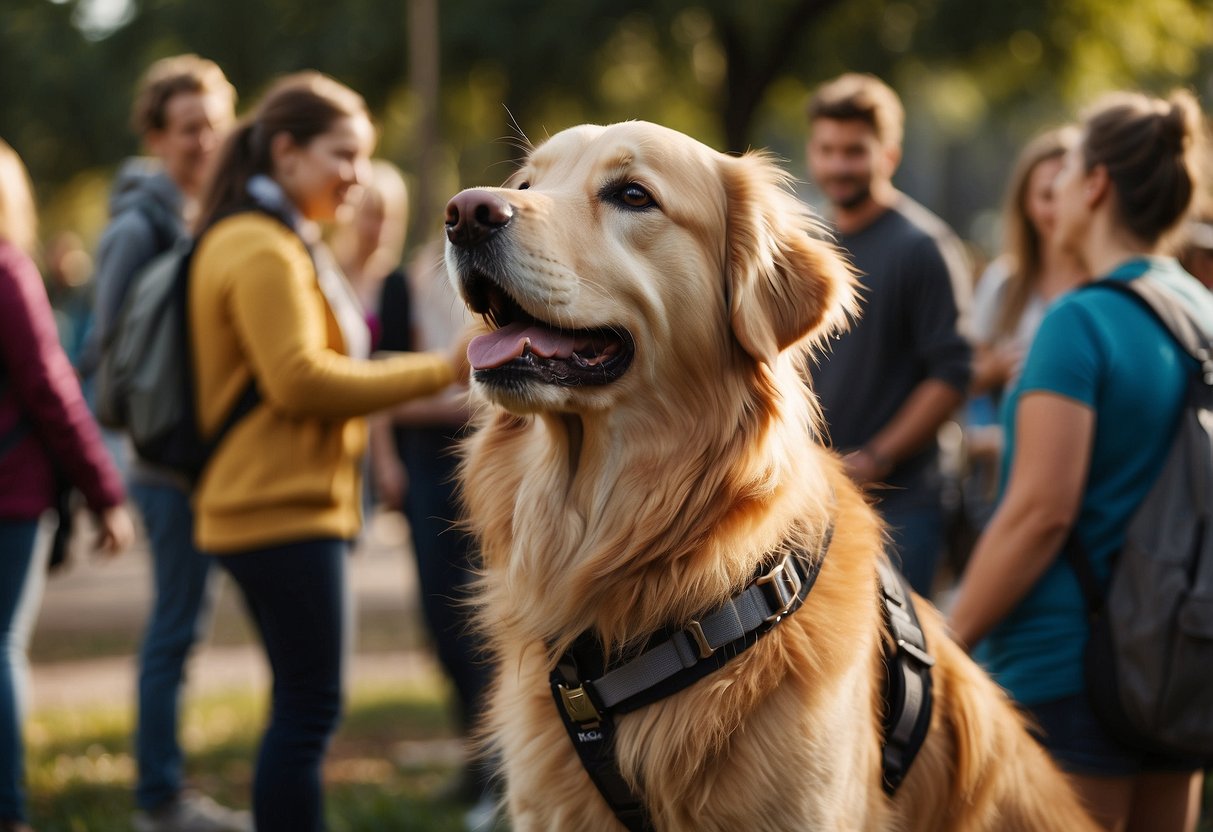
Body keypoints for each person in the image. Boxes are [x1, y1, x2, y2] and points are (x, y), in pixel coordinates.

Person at [188, 71, 467, 832]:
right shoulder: (259, 247)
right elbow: (299, 381)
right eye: (342, 155)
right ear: (285, 153)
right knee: (310, 711)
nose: (356, 175)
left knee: (300, 704)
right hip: (277, 510)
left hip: (278, 505)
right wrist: (446, 367)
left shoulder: (272, 238)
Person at [948, 90, 1212, 831]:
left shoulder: (1078, 321)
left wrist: (946, 636)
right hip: (1172, 656)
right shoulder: (1199, 308)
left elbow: (1039, 512)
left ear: (1094, 184)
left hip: (1063, 667)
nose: (1052, 192)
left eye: (1063, 174)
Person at [73, 55, 245, 832]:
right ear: (155, 135)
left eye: (214, 123)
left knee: (189, 626)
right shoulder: (137, 226)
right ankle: (158, 799)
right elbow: (109, 357)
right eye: (187, 128)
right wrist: (166, 430)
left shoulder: (206, 216)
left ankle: (168, 787)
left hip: (213, 463)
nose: (204, 140)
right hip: (167, 467)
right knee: (173, 630)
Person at [0, 138, 136, 832]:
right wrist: (105, 492)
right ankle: (9, 810)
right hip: (10, 492)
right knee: (1, 649)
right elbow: (51, 391)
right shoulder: (6, 270)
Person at [804, 73, 972, 597]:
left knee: (895, 664)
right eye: (827, 150)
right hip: (812, 495)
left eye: (854, 151)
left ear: (889, 155)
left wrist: (875, 458)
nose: (838, 165)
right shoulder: (808, 241)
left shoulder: (924, 247)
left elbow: (952, 374)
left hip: (902, 503)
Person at [373, 238, 494, 823]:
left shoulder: (500, 276)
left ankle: (498, 767)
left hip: (486, 462)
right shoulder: (404, 284)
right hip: (428, 468)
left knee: (489, 622)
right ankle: (478, 759)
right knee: (443, 619)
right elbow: (382, 391)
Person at [961, 127, 1088, 536]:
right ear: (1026, 203)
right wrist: (996, 369)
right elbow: (964, 378)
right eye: (1046, 195)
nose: (1058, 207)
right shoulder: (1004, 283)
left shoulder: (1105, 286)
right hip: (1007, 481)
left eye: (1066, 190)